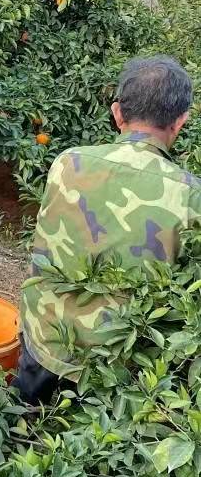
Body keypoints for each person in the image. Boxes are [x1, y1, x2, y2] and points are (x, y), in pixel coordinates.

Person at [16, 55, 201, 404]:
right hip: (113, 363)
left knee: (23, 415)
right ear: (181, 121)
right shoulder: (191, 196)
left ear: (117, 113)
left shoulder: (69, 162)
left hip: (45, 335)